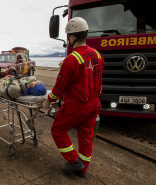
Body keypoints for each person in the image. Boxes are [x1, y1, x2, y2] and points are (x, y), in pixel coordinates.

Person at [42, 17, 104, 178]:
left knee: (58, 130)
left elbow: (59, 88)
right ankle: (82, 170)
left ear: (72, 37)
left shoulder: (71, 60)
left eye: (69, 36)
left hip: (77, 104)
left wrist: (49, 101)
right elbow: (98, 81)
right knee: (86, 136)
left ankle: (73, 161)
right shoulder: (98, 55)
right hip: (94, 102)